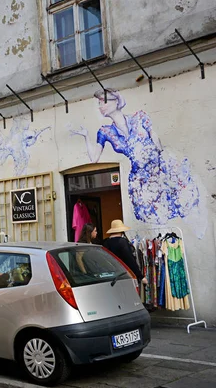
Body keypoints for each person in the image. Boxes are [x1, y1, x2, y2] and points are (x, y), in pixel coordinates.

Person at [70, 88, 202, 237]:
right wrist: (86, 137)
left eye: (103, 101)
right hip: (140, 179)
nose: (100, 106)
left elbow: (156, 140)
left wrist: (164, 164)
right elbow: (94, 158)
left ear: (117, 101)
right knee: (156, 218)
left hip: (159, 167)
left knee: (185, 203)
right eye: (99, 103)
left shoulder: (140, 117)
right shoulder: (105, 131)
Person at [102, 219, 147, 285]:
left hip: (110, 277)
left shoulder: (105, 243)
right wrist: (140, 276)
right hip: (123, 275)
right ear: (121, 231)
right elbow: (130, 260)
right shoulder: (122, 242)